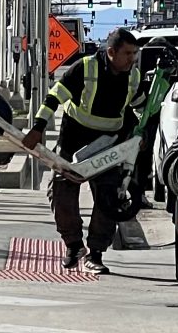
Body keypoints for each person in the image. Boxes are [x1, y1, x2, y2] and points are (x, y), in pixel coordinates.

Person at [21, 27, 144, 274]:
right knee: (62, 193)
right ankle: (74, 245)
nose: (132, 59)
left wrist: (141, 134)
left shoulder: (133, 77)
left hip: (108, 145)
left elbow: (142, 107)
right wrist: (37, 128)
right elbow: (54, 97)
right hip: (73, 140)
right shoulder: (85, 68)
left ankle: (96, 254)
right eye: (127, 53)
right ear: (111, 52)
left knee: (108, 199)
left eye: (134, 54)